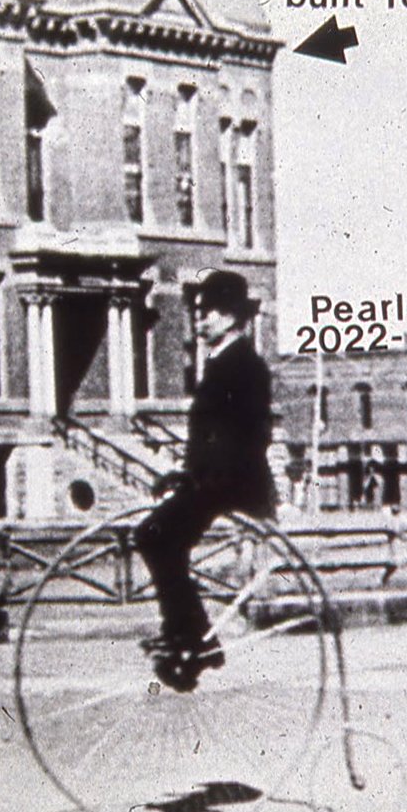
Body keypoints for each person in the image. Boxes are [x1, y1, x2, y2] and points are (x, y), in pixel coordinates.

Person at [134, 270, 275, 691]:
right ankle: (191, 635)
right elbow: (206, 437)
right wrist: (185, 475)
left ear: (231, 316)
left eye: (208, 312)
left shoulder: (247, 366)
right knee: (158, 536)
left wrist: (204, 479)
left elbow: (251, 436)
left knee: (154, 535)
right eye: (198, 311)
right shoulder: (218, 363)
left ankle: (191, 636)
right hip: (214, 481)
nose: (200, 320)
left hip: (235, 483)